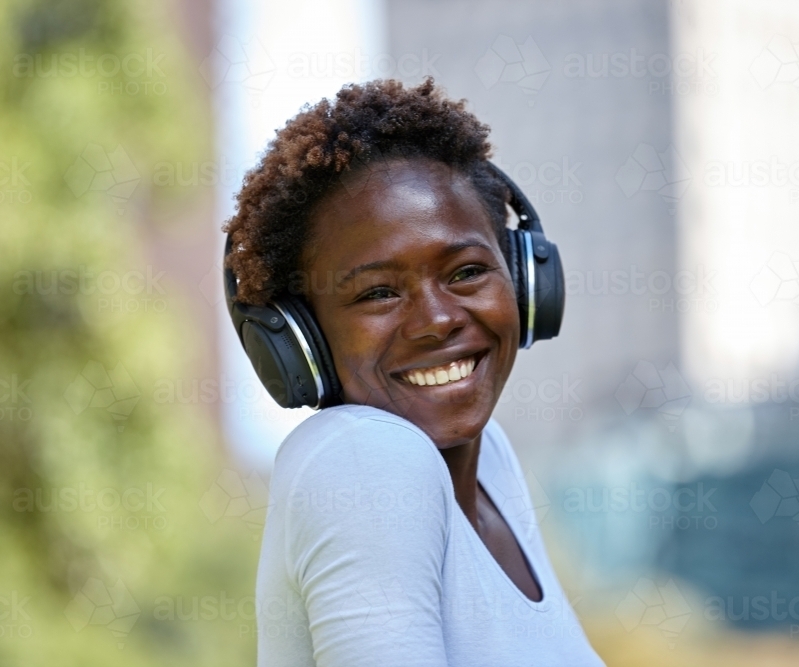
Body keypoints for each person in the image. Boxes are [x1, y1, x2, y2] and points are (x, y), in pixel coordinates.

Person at [224, 78, 604, 667]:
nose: (437, 319)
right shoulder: (366, 457)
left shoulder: (490, 463)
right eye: (378, 292)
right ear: (302, 337)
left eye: (466, 271)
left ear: (524, 279)